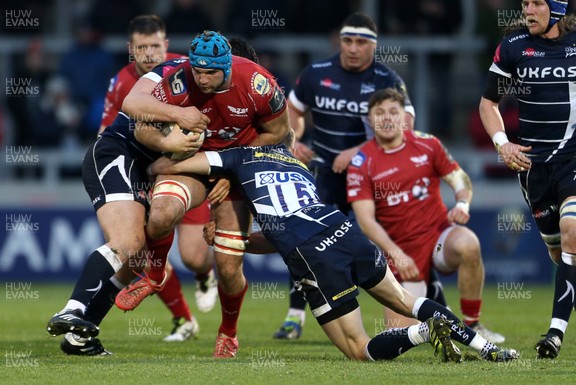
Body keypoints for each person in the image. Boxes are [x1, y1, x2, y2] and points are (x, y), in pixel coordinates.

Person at [144, 129, 520, 363]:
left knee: (359, 350)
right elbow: (279, 230)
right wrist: (242, 238)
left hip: (314, 254)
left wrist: (166, 153)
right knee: (406, 300)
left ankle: (422, 333)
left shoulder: (239, 156)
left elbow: (167, 167)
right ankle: (487, 349)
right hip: (344, 230)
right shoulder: (297, 165)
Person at [90, 30, 290, 358]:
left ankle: (228, 331)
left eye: (210, 71)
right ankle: (155, 274)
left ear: (227, 67)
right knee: (161, 213)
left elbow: (280, 132)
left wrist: (232, 167)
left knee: (227, 269)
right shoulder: (179, 79)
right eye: (198, 70)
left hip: (235, 171)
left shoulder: (257, 83)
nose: (202, 78)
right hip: (193, 164)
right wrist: (168, 142)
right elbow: (140, 123)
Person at [274, 11, 415, 340]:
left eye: (361, 42)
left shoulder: (388, 80)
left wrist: (359, 151)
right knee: (304, 241)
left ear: (373, 45)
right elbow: (291, 111)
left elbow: (406, 126)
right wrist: (293, 140)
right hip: (324, 173)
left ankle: (404, 313)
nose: (352, 48)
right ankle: (295, 315)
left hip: (374, 175)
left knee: (387, 240)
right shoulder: (316, 73)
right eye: (347, 41)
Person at [346, 88, 505, 344]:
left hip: (436, 236)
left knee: (468, 243)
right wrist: (396, 254)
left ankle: (472, 323)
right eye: (379, 113)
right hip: (399, 250)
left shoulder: (427, 144)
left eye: (393, 112)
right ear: (370, 119)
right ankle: (438, 310)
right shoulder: (361, 162)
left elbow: (460, 179)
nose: (386, 118)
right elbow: (366, 221)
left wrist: (462, 204)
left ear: (403, 117)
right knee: (400, 335)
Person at [97, 14, 218, 343]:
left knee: (193, 256)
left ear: (165, 45)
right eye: (142, 47)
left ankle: (206, 272)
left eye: (154, 45)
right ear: (130, 50)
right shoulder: (122, 83)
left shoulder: (187, 71)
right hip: (145, 173)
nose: (149, 53)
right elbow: (107, 131)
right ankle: (183, 320)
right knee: (140, 251)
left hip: (186, 168)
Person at [479, 0, 576, 359]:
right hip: (533, 168)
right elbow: (488, 103)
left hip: (573, 159)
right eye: (524, 3)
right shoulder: (513, 46)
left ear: (557, 8)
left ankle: (554, 333)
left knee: (572, 232)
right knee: (559, 250)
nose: (528, 10)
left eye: (537, 3)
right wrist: (502, 145)